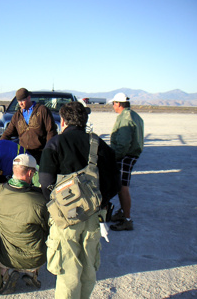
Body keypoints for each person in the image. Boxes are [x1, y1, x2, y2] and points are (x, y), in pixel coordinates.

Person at [39, 101, 120, 299]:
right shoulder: (98, 144)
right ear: (85, 121)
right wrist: (98, 203)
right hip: (93, 218)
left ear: (63, 121)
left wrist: (59, 207)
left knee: (68, 274)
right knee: (88, 271)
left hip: (66, 220)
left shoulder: (55, 143)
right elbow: (115, 184)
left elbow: (45, 183)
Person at [0, 154, 49, 295]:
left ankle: (4, 275)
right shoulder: (39, 201)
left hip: (7, 256)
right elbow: (48, 229)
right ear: (30, 173)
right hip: (35, 258)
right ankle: (31, 273)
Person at [107, 92, 144, 231]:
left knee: (123, 187)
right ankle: (123, 213)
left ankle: (127, 219)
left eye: (114, 103)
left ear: (119, 104)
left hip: (125, 155)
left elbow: (123, 143)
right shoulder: (134, 115)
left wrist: (113, 157)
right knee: (121, 186)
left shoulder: (125, 118)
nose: (113, 106)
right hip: (130, 154)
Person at [0, 88, 57, 163]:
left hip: (40, 153)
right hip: (24, 154)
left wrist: (49, 150)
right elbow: (8, 133)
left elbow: (51, 131)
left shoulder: (42, 110)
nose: (20, 103)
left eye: (22, 100)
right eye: (19, 101)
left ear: (29, 98)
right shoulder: (17, 116)